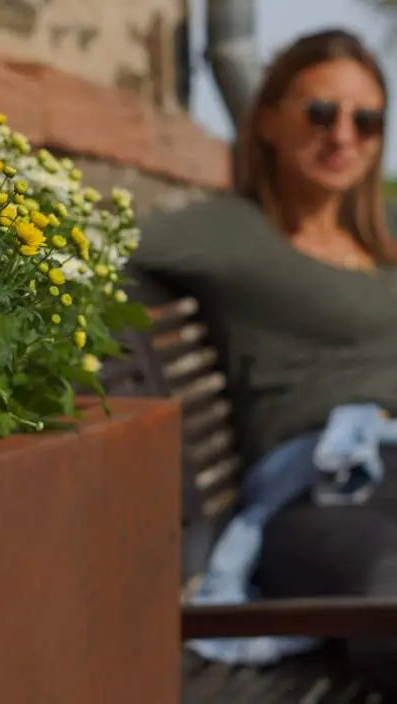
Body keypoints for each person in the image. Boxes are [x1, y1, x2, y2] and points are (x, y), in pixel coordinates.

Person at [132, 28, 397, 692]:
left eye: (365, 120)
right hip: (312, 490)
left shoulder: (382, 238)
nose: (343, 136)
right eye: (319, 112)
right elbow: (110, 246)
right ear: (270, 120)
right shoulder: (233, 231)